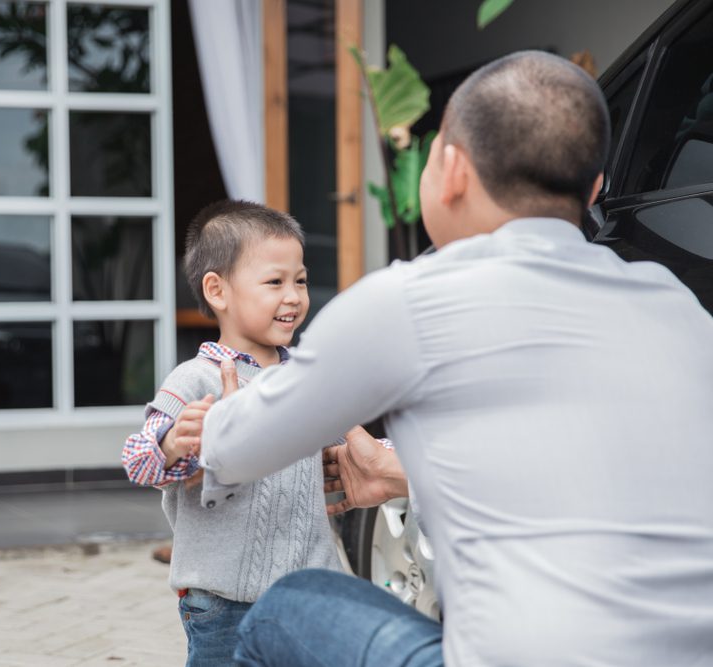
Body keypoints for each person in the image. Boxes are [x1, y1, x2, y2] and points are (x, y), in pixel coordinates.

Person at [197, 51, 713, 666]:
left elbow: (231, 450)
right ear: (597, 187)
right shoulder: (672, 303)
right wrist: (396, 472)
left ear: (452, 169)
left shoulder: (409, 302)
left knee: (290, 604)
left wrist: (230, 407)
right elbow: (583, 469)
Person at [121, 201, 350, 666]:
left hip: (307, 592)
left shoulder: (307, 377)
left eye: (300, 280)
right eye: (274, 282)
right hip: (225, 602)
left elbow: (353, 451)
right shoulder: (197, 379)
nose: (293, 296)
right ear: (217, 290)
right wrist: (175, 445)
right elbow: (137, 460)